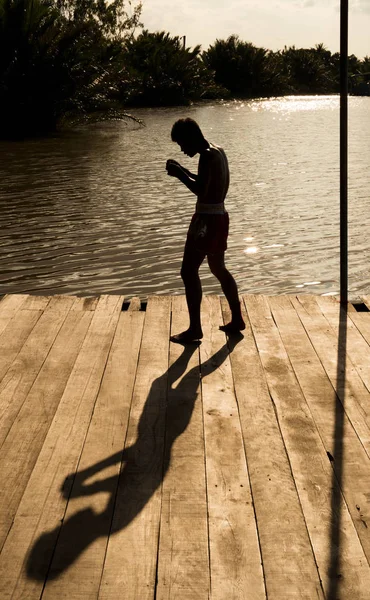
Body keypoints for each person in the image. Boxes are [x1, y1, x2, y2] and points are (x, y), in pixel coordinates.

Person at [166, 117, 245, 343]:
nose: (182, 150)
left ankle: (194, 329)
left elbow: (201, 189)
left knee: (188, 272)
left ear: (191, 138)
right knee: (219, 268)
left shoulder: (207, 156)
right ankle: (237, 319)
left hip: (206, 221)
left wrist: (180, 175)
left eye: (182, 144)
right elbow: (207, 181)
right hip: (219, 216)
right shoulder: (216, 151)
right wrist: (182, 169)